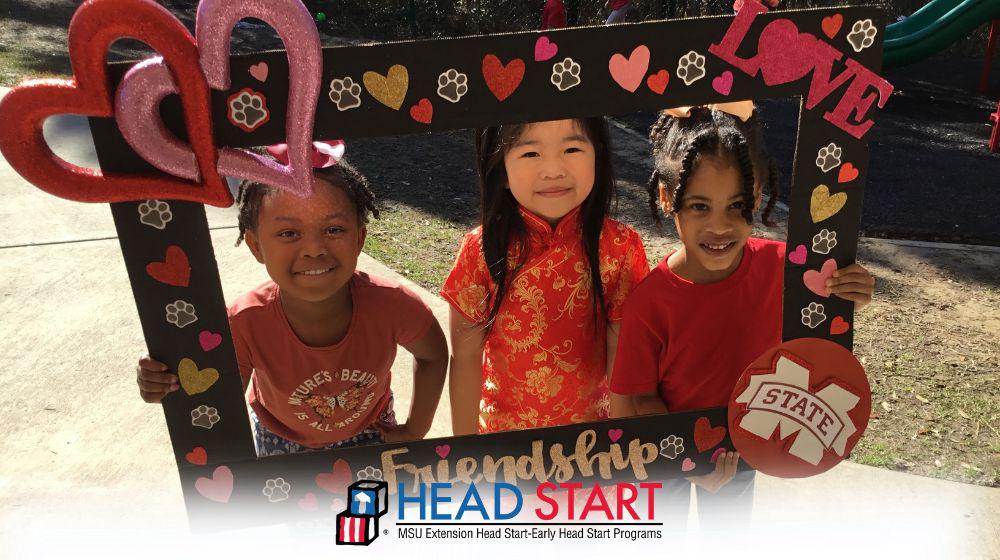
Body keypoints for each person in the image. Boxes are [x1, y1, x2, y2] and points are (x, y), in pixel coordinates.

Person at [610, 103, 875, 527]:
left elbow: (825, 316)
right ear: (666, 197)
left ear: (755, 196)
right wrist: (687, 459)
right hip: (665, 455)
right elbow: (634, 401)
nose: (721, 226)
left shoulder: (787, 270)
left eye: (736, 206)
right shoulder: (651, 301)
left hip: (740, 451)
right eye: (699, 206)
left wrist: (848, 293)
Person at [135, 143, 448, 456]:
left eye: (334, 228)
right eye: (288, 233)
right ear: (256, 247)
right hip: (281, 442)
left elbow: (434, 354)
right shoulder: (243, 324)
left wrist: (415, 429)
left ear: (360, 239)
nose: (314, 248)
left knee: (372, 507)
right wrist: (167, 385)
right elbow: (214, 403)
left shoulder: (393, 306)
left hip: (371, 431)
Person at [443, 118, 649, 435]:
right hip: (503, 448)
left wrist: (618, 450)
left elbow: (622, 365)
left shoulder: (620, 248)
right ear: (500, 169)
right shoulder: (479, 250)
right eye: (530, 154)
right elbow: (466, 358)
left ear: (599, 154)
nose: (553, 170)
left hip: (589, 448)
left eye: (571, 148)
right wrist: (466, 455)